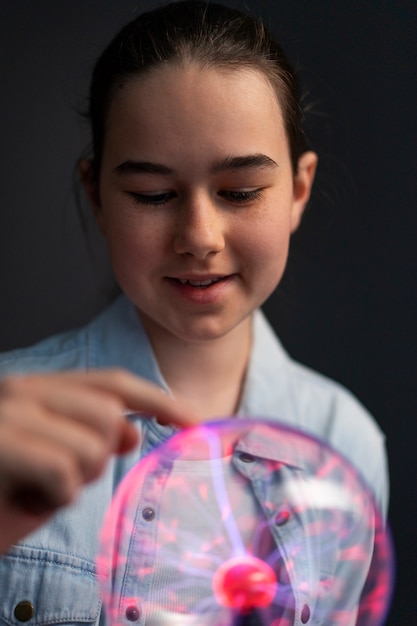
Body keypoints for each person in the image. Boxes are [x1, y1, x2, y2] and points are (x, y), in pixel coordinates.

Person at [0, 2, 389, 625]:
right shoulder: (10, 416)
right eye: (153, 195)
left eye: (239, 192)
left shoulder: (345, 444)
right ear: (96, 196)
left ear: (297, 191)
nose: (199, 236)